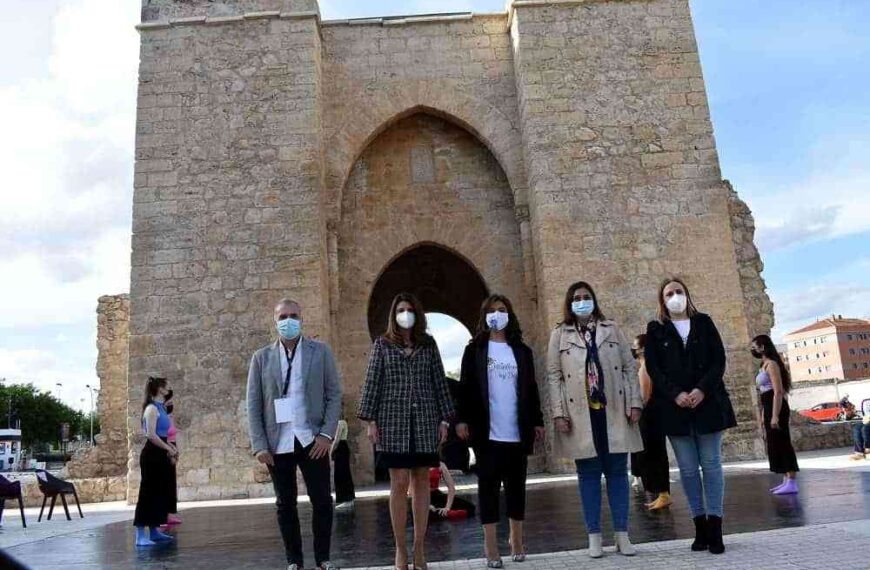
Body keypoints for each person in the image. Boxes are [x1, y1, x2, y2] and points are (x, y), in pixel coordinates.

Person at [358, 293, 454, 570]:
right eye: (400, 309)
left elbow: (439, 382)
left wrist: (445, 420)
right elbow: (372, 382)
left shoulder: (428, 345)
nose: (405, 313)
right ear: (394, 314)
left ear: (417, 313)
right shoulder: (382, 345)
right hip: (392, 421)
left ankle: (420, 549)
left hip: (425, 420)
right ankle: (400, 550)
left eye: (410, 309)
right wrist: (370, 421)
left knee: (422, 482)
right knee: (398, 483)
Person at [548, 281, 643, 559]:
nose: (581, 301)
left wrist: (634, 402)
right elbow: (554, 375)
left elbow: (628, 366)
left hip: (612, 410)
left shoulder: (611, 329)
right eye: (576, 297)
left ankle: (622, 535)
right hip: (580, 414)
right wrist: (558, 412)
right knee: (588, 476)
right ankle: (594, 536)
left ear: (594, 299)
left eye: (586, 297)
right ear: (569, 302)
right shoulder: (560, 334)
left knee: (617, 473)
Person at [246, 298, 342, 570]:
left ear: (301, 318)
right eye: (282, 317)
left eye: (293, 315)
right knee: (284, 503)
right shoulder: (261, 358)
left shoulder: (320, 352)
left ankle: (323, 558)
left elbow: (333, 394)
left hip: (312, 439)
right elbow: (254, 403)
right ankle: (294, 562)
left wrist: (326, 434)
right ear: (275, 321)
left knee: (322, 499)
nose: (288, 321)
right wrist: (259, 445)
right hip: (278, 443)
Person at [644, 277, 737, 555]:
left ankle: (716, 527)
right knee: (687, 469)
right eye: (669, 293)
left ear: (687, 294)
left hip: (707, 404)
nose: (675, 297)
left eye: (679, 291)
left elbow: (718, 360)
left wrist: (700, 389)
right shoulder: (656, 329)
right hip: (675, 409)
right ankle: (699, 527)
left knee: (711, 465)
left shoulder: (704, 323)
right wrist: (676, 394)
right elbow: (654, 369)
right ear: (662, 300)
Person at [455, 294, 545, 567]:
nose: (497, 314)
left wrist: (538, 421)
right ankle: (491, 545)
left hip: (517, 430)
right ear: (484, 316)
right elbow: (466, 388)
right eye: (492, 310)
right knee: (488, 489)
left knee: (517, 487)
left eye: (502, 309)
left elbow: (531, 388)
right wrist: (461, 419)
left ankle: (516, 540)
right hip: (487, 432)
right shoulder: (475, 351)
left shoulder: (521, 351)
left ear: (510, 314)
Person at [751, 334, 799, 494]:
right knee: (775, 443)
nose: (753, 349)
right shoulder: (763, 365)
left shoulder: (772, 364)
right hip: (768, 405)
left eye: (755, 346)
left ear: (763, 347)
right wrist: (763, 415)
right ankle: (786, 479)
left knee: (783, 441)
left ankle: (792, 481)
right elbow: (763, 394)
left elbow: (778, 391)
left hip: (776, 406)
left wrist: (775, 415)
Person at [133, 376, 177, 547]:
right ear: (159, 388)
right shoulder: (151, 408)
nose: (169, 388)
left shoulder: (161, 408)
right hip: (152, 455)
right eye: (166, 386)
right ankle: (140, 535)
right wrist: (168, 448)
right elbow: (150, 434)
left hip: (161, 454)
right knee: (148, 493)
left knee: (159, 493)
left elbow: (167, 432)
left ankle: (154, 531)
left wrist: (170, 449)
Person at [629, 334, 672, 510]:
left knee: (652, 454)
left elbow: (645, 396)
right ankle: (660, 493)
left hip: (649, 417)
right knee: (653, 454)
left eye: (636, 346)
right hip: (652, 416)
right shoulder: (647, 366)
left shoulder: (646, 367)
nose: (634, 349)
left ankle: (661, 493)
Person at [163, 392, 182, 526]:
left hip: (172, 448)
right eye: (168, 402)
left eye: (171, 402)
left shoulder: (170, 417)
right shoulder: (160, 417)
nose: (170, 404)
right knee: (164, 483)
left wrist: (176, 451)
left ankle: (169, 515)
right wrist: (171, 449)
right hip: (165, 449)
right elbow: (161, 436)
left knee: (170, 483)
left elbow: (173, 434)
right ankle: (161, 517)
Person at [331, 419, 356, 509]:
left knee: (342, 474)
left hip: (340, 447)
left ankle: (347, 499)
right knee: (343, 473)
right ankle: (348, 499)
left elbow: (337, 439)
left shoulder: (340, 422)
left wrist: (330, 452)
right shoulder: (341, 422)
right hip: (342, 448)